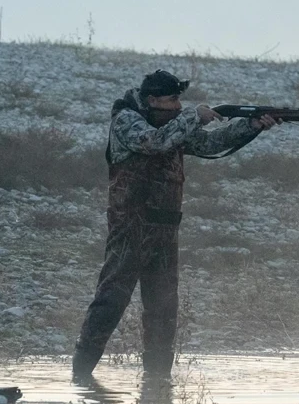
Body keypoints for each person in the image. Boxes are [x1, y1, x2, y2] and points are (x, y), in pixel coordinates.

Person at [72, 69, 280, 378]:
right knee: (111, 300)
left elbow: (210, 145)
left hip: (166, 230)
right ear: (152, 99)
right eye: (172, 100)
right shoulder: (126, 120)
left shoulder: (173, 123)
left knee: (163, 309)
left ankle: (158, 384)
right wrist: (195, 116)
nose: (178, 107)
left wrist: (251, 126)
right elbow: (154, 142)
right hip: (131, 227)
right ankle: (80, 375)